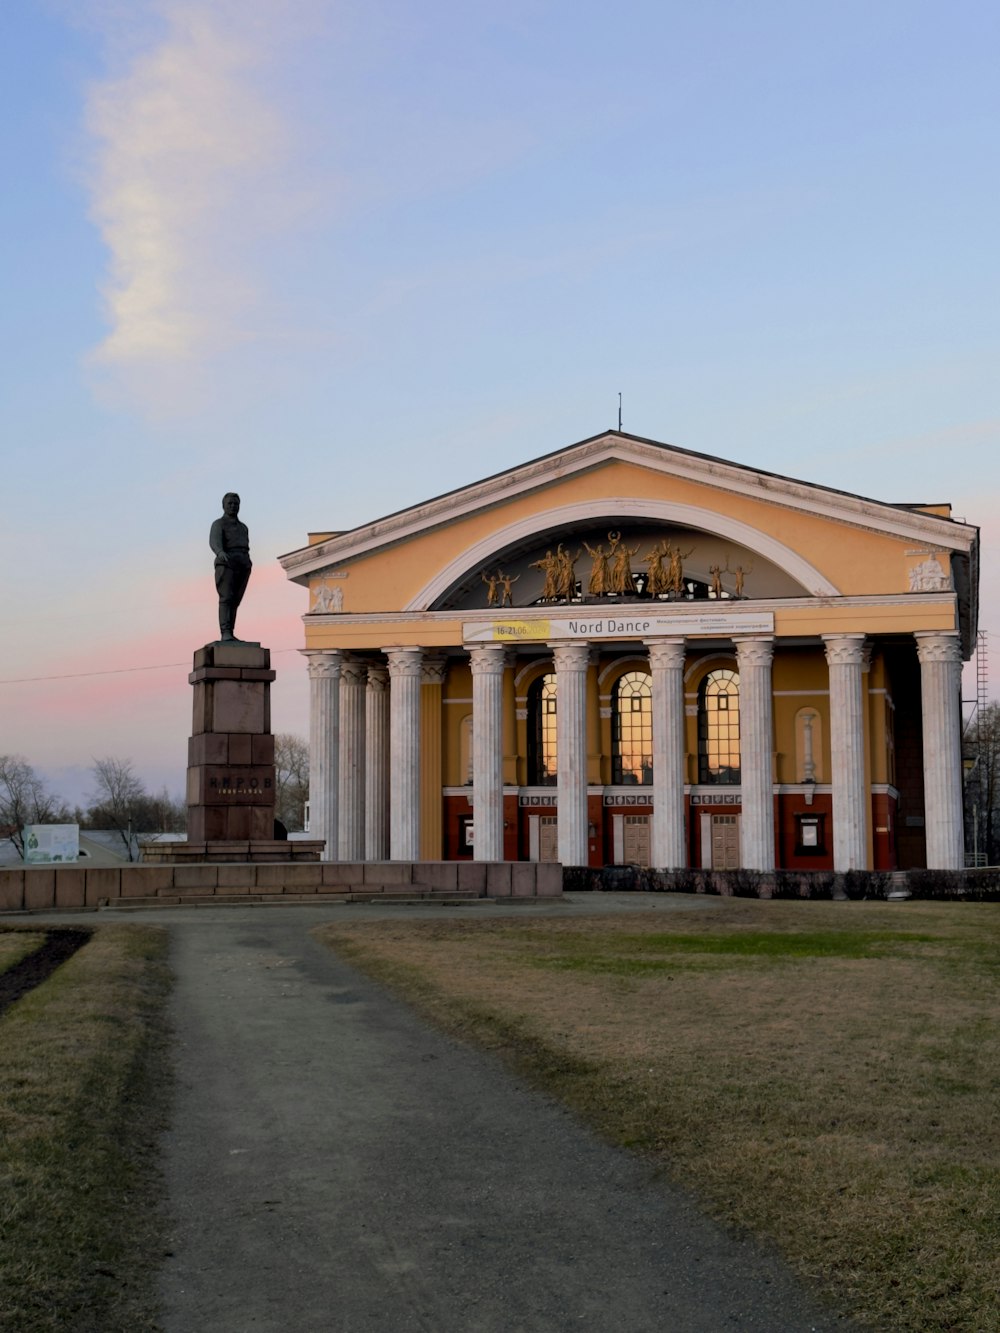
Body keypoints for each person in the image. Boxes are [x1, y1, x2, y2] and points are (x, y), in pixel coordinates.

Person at [210, 493, 252, 642]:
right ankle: (225, 631)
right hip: (227, 563)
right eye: (230, 503)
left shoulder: (243, 527)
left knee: (235, 600)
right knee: (226, 598)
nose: (233, 506)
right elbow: (214, 542)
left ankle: (231, 632)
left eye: (235, 503)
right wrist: (220, 552)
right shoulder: (218, 524)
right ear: (223, 506)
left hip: (243, 563)